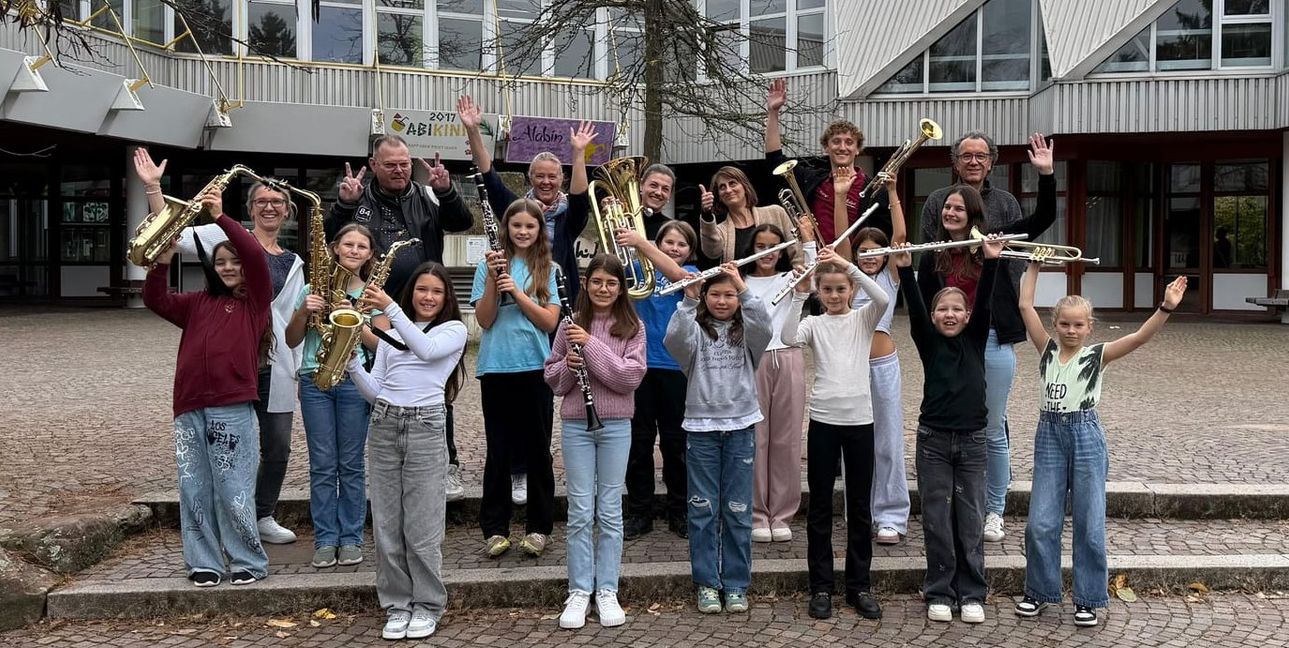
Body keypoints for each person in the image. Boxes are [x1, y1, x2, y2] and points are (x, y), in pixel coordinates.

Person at [133, 149, 304, 545]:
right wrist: (154, 189)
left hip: (274, 364)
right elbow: (172, 233)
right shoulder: (222, 236)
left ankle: (262, 514)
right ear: (250, 208)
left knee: (278, 446)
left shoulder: (294, 261)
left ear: (287, 211)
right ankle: (229, 521)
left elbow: (291, 316)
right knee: (231, 449)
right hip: (233, 369)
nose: (269, 207)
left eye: (277, 202)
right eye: (261, 201)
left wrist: (299, 362)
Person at [1015, 264, 1188, 628]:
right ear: (1055, 324)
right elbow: (1025, 305)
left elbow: (1138, 338)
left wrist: (1166, 307)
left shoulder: (1097, 355)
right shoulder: (1046, 349)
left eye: (1078, 325)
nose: (1071, 330)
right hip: (1049, 435)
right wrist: (1034, 267)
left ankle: (1088, 598)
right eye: (1065, 324)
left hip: (1086, 435)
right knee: (1040, 522)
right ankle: (1039, 590)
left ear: (1089, 327)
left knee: (1089, 521)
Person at [916, 132, 1058, 543]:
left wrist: (1046, 174)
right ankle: (956, 502)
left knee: (992, 427)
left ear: (973, 213)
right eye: (948, 207)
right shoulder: (936, 252)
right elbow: (923, 304)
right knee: (949, 423)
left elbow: (1041, 219)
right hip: (949, 346)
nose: (951, 212)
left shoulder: (990, 242)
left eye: (959, 208)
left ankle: (994, 509)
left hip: (992, 338)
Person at [327, 134, 473, 503]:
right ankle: (382, 465)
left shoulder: (427, 196)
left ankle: (447, 463)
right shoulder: (358, 198)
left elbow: (462, 221)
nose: (399, 170)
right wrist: (344, 204)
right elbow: (333, 237)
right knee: (380, 384)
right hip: (374, 307)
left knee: (434, 386)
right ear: (374, 165)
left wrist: (447, 191)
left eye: (404, 163)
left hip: (426, 306)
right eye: (390, 164)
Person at [143, 194, 272, 588]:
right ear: (210, 268)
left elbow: (254, 254)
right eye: (220, 263)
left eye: (234, 262)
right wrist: (163, 262)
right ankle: (204, 562)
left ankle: (247, 559)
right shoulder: (196, 303)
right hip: (189, 406)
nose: (228, 267)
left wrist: (220, 216)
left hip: (232, 406)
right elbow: (155, 299)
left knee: (234, 487)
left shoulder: (255, 302)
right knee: (194, 487)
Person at [346, 262, 468, 641]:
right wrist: (351, 363)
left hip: (426, 426)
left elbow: (427, 351)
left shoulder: (454, 329)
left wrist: (388, 307)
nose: (428, 297)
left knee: (423, 525)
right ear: (411, 292)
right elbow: (377, 390)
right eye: (422, 289)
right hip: (384, 422)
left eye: (436, 291)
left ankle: (428, 604)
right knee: (386, 523)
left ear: (446, 297)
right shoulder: (393, 333)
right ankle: (397, 603)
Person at [896, 235, 1006, 624]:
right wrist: (905, 269)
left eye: (957, 309)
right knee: (937, 519)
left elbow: (986, 300)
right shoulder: (927, 341)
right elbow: (913, 303)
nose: (949, 314)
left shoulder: (976, 338)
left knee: (971, 518)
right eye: (942, 309)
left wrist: (991, 261)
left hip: (973, 441)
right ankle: (939, 591)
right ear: (932, 316)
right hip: (934, 442)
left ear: (968, 315)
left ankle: (972, 591)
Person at [781, 244, 888, 621]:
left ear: (851, 289)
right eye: (827, 289)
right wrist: (799, 294)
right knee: (821, 508)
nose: (835, 295)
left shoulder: (863, 318)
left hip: (860, 422)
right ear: (819, 292)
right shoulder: (815, 324)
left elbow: (882, 297)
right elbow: (788, 336)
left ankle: (859, 586)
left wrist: (845, 264)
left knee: (859, 507)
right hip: (824, 422)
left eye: (841, 289)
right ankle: (821, 586)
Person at [544, 254, 647, 630]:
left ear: (621, 288)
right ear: (586, 284)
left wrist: (590, 346)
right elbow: (553, 380)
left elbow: (629, 378)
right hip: (577, 425)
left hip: (616, 425)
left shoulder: (632, 326)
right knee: (580, 511)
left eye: (611, 283)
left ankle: (607, 589)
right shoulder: (569, 323)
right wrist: (568, 368)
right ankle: (579, 589)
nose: (604, 289)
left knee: (609, 511)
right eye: (597, 282)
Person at [664, 263, 772, 615]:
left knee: (738, 510)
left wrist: (744, 289)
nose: (722, 301)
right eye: (715, 294)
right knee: (702, 509)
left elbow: (765, 324)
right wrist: (687, 300)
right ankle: (707, 583)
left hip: (741, 428)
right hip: (701, 430)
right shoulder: (694, 330)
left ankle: (737, 583)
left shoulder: (750, 333)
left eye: (729, 295)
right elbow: (673, 341)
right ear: (705, 296)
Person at [285, 224, 384, 570]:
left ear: (369, 254)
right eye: (348, 244)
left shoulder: (373, 293)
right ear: (335, 248)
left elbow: (383, 344)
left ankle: (351, 538)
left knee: (351, 464)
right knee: (323, 465)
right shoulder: (312, 288)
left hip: (354, 381)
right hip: (316, 380)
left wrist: (355, 319)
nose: (354, 250)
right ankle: (326, 539)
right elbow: (292, 339)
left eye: (362, 246)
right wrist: (304, 310)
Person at [473, 199, 561, 558]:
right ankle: (495, 528)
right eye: (516, 225)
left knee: (538, 449)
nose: (523, 232)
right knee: (499, 450)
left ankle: (539, 527)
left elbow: (549, 322)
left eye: (530, 226)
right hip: (496, 367)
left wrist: (519, 293)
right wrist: (494, 282)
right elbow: (484, 319)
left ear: (540, 231)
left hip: (535, 367)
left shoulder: (549, 268)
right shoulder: (488, 265)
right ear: (506, 229)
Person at [615, 220, 700, 540]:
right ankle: (640, 511)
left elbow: (680, 277)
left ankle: (680, 509)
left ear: (690, 251)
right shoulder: (637, 269)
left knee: (676, 443)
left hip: (676, 367)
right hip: (639, 364)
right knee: (639, 443)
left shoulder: (690, 271)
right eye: (669, 242)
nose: (674, 248)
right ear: (659, 243)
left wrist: (642, 243)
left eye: (681, 244)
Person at [739, 220, 815, 543]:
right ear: (752, 248)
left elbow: (813, 270)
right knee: (756, 437)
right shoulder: (741, 279)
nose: (767, 252)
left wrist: (807, 238)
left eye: (774, 246)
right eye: (761, 246)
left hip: (787, 356)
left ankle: (782, 514)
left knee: (787, 439)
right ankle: (757, 513)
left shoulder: (790, 277)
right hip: (752, 359)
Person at [851, 179, 910, 545]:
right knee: (857, 441)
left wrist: (892, 193)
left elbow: (901, 236)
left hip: (884, 365)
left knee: (888, 440)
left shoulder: (890, 277)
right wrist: (840, 196)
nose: (870, 256)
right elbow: (843, 239)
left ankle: (891, 514)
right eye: (864, 251)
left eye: (877, 251)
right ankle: (860, 512)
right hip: (850, 369)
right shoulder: (849, 279)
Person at [765, 78, 869, 260]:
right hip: (815, 261)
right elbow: (775, 160)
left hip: (855, 266)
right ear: (826, 148)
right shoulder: (814, 180)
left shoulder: (870, 189)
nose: (842, 147)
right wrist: (773, 113)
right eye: (836, 141)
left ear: (857, 149)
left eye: (849, 142)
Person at [699, 165, 802, 266]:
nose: (728, 190)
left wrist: (801, 273)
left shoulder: (776, 212)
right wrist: (706, 214)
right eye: (722, 187)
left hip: (784, 277)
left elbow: (797, 251)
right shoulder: (720, 231)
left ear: (745, 186)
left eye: (732, 183)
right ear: (719, 197)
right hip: (739, 278)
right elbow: (712, 252)